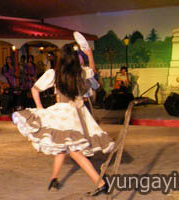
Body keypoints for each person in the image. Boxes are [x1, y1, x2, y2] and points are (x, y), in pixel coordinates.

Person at [12, 43, 114, 196]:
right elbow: (92, 71)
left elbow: (35, 89)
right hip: (79, 114)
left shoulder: (55, 73)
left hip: (64, 114)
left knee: (74, 151)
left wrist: (40, 109)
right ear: (75, 58)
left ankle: (101, 183)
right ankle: (54, 178)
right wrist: (90, 54)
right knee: (62, 146)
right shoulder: (81, 73)